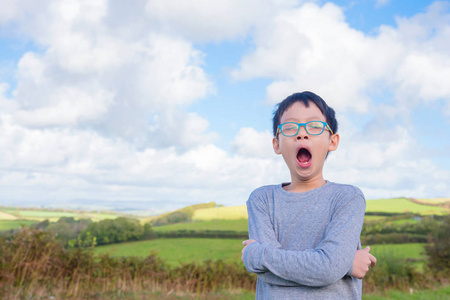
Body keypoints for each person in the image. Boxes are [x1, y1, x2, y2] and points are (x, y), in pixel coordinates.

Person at [241, 91, 376, 299]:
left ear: (332, 141)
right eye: (289, 127)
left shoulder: (348, 197)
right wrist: (346, 264)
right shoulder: (262, 200)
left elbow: (329, 268)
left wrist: (256, 255)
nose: (302, 133)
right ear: (276, 143)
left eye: (314, 126)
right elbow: (267, 273)